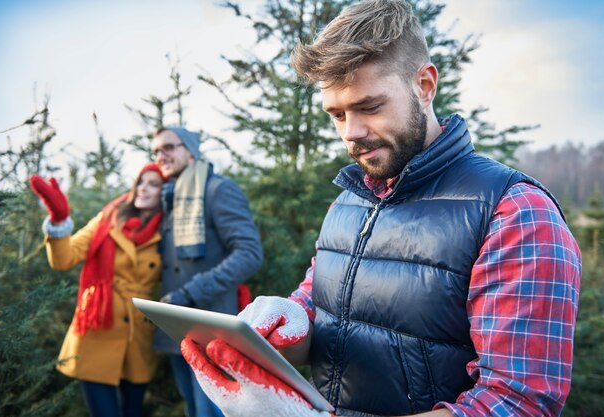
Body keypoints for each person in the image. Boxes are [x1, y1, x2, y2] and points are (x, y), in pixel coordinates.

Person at [178, 1, 582, 416]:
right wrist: (287, 322)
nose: (351, 133)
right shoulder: (349, 200)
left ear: (425, 86)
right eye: (337, 114)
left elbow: (517, 402)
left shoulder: (514, 213)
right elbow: (322, 315)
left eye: (369, 107)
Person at [29, 163, 167, 417]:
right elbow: (63, 259)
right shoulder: (107, 220)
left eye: (154, 184)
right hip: (97, 330)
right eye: (141, 182)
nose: (144, 188)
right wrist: (59, 221)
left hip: (140, 337)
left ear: (166, 192)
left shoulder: (168, 230)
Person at [150, 126, 263, 417]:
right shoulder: (171, 198)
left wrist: (190, 292)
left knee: (211, 412)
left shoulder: (217, 189)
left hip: (210, 329)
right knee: (193, 409)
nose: (160, 155)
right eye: (155, 151)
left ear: (189, 150)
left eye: (168, 148)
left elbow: (249, 254)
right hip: (179, 328)